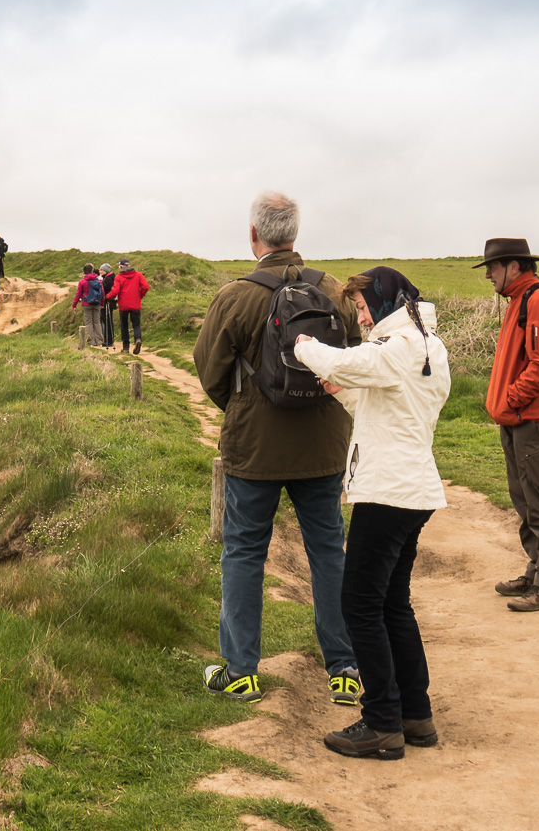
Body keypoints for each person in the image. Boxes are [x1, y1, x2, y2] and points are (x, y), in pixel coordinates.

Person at [194, 191, 362, 706]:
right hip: (322, 446)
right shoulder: (332, 291)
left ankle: (241, 670)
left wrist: (244, 408)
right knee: (329, 553)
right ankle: (346, 669)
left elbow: (210, 371)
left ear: (254, 236)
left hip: (255, 448)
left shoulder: (235, 296)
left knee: (243, 552)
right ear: (295, 233)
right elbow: (353, 359)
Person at [293, 267, 450, 760]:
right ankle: (415, 715)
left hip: (388, 492)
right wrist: (342, 393)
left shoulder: (398, 346)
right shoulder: (427, 346)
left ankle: (382, 720)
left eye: (362, 307)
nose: (360, 318)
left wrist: (298, 342)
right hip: (412, 489)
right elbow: (386, 403)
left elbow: (348, 362)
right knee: (391, 603)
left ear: (386, 301)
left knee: (359, 604)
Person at [476, 237, 539, 612]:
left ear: (515, 266)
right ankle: (536, 571)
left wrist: (512, 399)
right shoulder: (519, 300)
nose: (488, 275)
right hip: (517, 421)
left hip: (532, 420)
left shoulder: (538, 299)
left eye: (492, 267)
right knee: (525, 498)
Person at [110, 257, 151, 355]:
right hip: (135, 304)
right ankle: (137, 339)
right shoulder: (138, 275)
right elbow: (146, 287)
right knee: (136, 325)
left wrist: (107, 297)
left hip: (123, 305)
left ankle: (125, 347)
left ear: (121, 267)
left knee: (124, 326)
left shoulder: (119, 277)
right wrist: (140, 296)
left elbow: (115, 291)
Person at [69, 264, 102, 345]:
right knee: (97, 322)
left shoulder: (82, 282)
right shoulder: (98, 281)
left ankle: (91, 341)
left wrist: (74, 305)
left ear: (84, 271)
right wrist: (102, 303)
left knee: (89, 322)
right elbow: (102, 293)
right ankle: (99, 341)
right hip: (97, 303)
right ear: (92, 270)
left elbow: (78, 294)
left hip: (86, 303)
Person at [97, 265, 116, 348]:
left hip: (108, 303)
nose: (100, 271)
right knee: (107, 321)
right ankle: (109, 339)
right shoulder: (108, 278)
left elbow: (104, 289)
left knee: (107, 321)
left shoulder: (108, 279)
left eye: (102, 270)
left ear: (106, 271)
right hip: (109, 302)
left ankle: (108, 341)